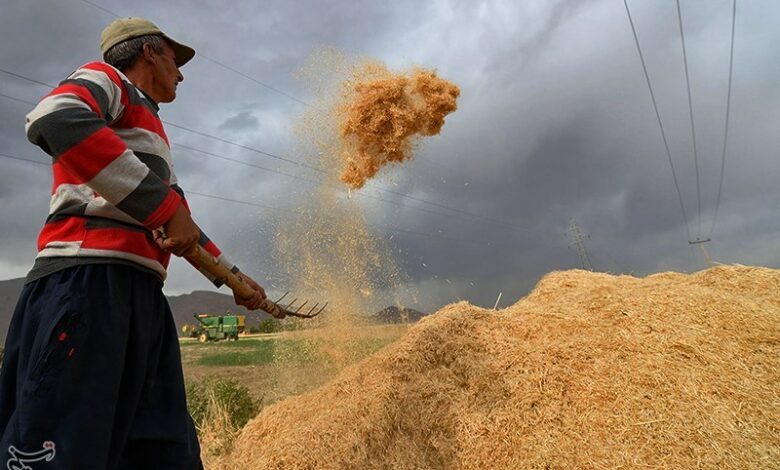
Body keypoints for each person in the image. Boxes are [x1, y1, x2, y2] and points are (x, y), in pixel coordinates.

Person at [0, 17, 267, 469]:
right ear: (150, 52)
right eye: (174, 60)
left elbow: (179, 226)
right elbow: (54, 117)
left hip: (142, 296)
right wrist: (165, 208)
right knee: (59, 449)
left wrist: (234, 278)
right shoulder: (107, 81)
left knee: (162, 449)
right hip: (85, 285)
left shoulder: (154, 135)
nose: (180, 73)